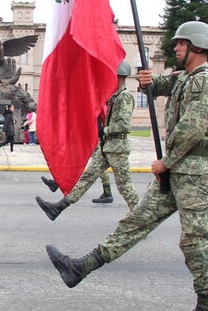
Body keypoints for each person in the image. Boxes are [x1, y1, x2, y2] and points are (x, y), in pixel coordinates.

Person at [45, 21, 208, 311]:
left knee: (194, 241)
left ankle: (207, 309)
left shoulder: (204, 82)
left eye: (181, 44)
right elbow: (162, 86)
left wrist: (165, 162)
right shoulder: (186, 79)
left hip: (192, 175)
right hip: (177, 173)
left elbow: (192, 128)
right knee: (135, 222)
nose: (176, 49)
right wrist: (147, 81)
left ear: (196, 46)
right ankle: (80, 268)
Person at [36, 61, 139, 217]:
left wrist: (103, 130)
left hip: (117, 149)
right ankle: (58, 207)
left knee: (125, 187)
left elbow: (124, 125)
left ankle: (141, 219)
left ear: (117, 76)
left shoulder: (124, 97)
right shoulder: (114, 96)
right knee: (87, 177)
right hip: (107, 147)